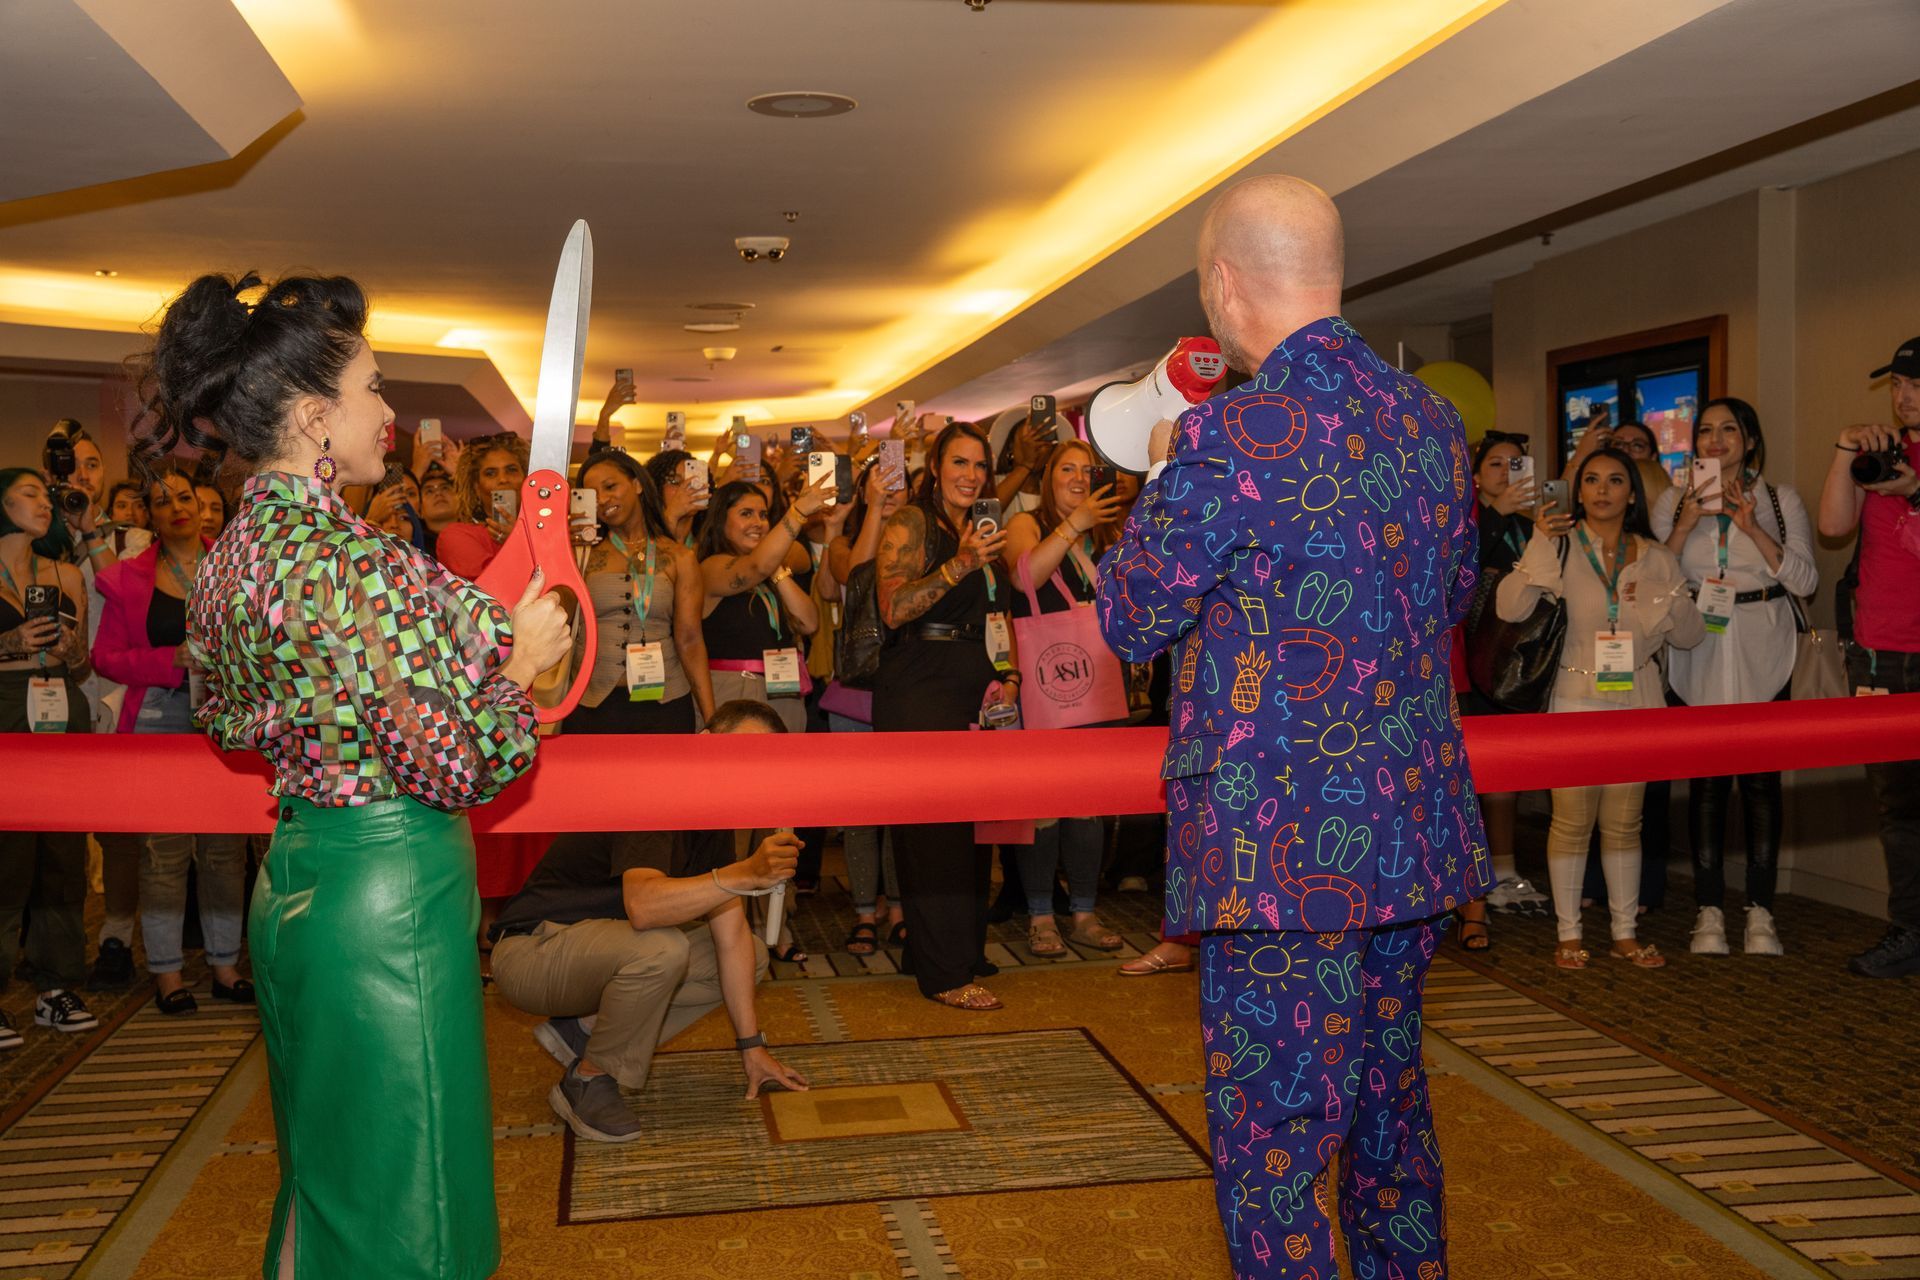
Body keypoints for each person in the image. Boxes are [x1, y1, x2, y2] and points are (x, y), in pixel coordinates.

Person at [142, 269, 570, 1279]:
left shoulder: (234, 552)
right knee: (412, 1207)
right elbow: (463, 759)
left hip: (295, 878)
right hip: (390, 897)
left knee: (332, 1180)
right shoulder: (352, 560)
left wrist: (480, 637)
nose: (392, 410)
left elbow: (229, 713)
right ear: (312, 417)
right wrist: (517, 669)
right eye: (375, 387)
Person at [1097, 175, 1484, 1280]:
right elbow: (1451, 596)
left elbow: (1132, 615)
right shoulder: (1432, 419)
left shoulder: (1234, 430)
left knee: (1272, 1150)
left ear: (1223, 282)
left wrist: (1166, 467)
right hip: (1409, 835)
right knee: (1389, 1124)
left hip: (1283, 848)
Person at [489, 700, 809, 1142]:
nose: (745, 770)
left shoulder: (714, 817)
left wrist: (752, 1048)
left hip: (595, 950)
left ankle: (582, 1030)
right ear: (704, 742)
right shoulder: (654, 787)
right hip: (532, 951)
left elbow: (731, 934)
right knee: (663, 947)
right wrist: (745, 874)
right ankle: (588, 1078)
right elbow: (644, 906)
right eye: (740, 751)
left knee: (749, 953)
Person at [1498, 448, 1703, 970]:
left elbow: (1690, 636)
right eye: (1591, 480)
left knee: (1625, 825)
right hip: (1573, 697)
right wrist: (1542, 540)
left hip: (1637, 700)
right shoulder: (1562, 546)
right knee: (1570, 822)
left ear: (1632, 493)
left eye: (1615, 480)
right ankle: (1568, 935)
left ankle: (1625, 932)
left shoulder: (1657, 557)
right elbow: (1509, 607)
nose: (1603, 489)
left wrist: (1665, 599)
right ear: (1579, 491)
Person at [1654, 398, 1815, 956]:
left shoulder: (1779, 498)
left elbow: (1805, 579)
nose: (1715, 440)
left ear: (1749, 439)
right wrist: (1686, 524)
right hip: (1698, 643)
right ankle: (1708, 911)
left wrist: (1752, 527)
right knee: (1705, 785)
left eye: (1728, 430)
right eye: (1705, 431)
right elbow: (1656, 579)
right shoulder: (1675, 500)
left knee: (1762, 784)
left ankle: (1761, 910)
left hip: (1764, 645)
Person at [92, 465, 251, 1014]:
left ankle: (225, 967)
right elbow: (105, 658)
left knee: (226, 852)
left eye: (184, 496)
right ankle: (166, 974)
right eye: (162, 502)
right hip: (158, 719)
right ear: (150, 516)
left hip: (226, 719)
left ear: (201, 505)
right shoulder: (127, 577)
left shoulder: (237, 567)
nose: (177, 507)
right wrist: (169, 659)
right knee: (163, 855)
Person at [875, 421, 1020, 1011]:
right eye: (959, 463)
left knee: (969, 830)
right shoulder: (912, 523)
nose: (971, 475)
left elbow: (997, 614)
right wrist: (959, 563)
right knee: (931, 833)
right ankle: (943, 972)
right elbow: (892, 609)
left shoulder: (986, 531)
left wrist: (1007, 675)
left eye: (980, 465)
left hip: (977, 688)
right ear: (935, 468)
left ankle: (954, 949)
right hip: (920, 686)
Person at [1818, 336, 1920, 979]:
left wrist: (1916, 493)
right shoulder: (1880, 454)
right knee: (1898, 810)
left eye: (1915, 385)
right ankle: (1910, 931)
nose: (1904, 397)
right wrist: (1844, 449)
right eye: (1898, 386)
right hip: (1879, 655)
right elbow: (1833, 526)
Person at [1001, 439, 1127, 955]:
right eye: (1066, 469)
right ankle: (1040, 916)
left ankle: (1084, 912)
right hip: (1045, 681)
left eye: (1086, 470)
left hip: (1098, 677)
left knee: (1089, 807)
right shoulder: (1027, 523)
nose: (1077, 478)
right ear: (1048, 478)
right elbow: (1023, 576)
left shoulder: (1108, 529)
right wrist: (1073, 524)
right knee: (1043, 808)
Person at [0, 468, 100, 1045]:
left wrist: (67, 645)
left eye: (48, 493)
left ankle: (55, 986)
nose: (46, 502)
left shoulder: (63, 572)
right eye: (30, 492)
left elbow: (82, 656)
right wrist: (9, 643)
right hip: (5, 705)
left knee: (63, 851)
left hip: (60, 701)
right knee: (5, 853)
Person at [1457, 430, 1550, 950]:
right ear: (1476, 475)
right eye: (1496, 464)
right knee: (1468, 781)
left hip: (1518, 661)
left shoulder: (1531, 523)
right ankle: (1468, 888)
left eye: (1517, 463)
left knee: (1507, 776)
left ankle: (1503, 871)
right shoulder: (1470, 517)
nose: (1506, 473)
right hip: (1468, 660)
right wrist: (1494, 513)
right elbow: (1463, 571)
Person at [567, 449, 715, 733]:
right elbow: (559, 619)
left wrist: (711, 717)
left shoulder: (680, 557)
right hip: (592, 703)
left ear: (637, 484)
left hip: (666, 704)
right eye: (592, 495)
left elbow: (691, 640)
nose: (603, 500)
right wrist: (558, 549)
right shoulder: (582, 557)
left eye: (610, 487)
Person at [822, 459, 907, 954]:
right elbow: (857, 576)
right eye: (881, 485)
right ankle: (862, 912)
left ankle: (897, 907)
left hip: (907, 692)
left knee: (900, 808)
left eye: (900, 485)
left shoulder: (927, 545)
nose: (891, 492)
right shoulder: (840, 546)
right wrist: (875, 509)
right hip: (855, 695)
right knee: (859, 812)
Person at [696, 479, 827, 732]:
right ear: (720, 520)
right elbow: (755, 567)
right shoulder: (710, 567)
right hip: (735, 694)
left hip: (783, 691)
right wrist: (798, 512)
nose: (758, 523)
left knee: (785, 770)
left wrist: (776, 567)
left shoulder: (769, 572)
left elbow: (809, 622)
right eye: (746, 514)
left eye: (763, 515)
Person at [435, 431, 529, 579]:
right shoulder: (456, 536)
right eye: (490, 473)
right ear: (476, 488)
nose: (503, 479)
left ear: (526, 480)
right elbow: (491, 588)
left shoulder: (541, 532)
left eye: (511, 470)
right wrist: (518, 542)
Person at [644, 449, 711, 547]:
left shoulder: (708, 542)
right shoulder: (641, 535)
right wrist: (672, 516)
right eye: (675, 482)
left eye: (693, 483)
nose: (686, 489)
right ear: (656, 488)